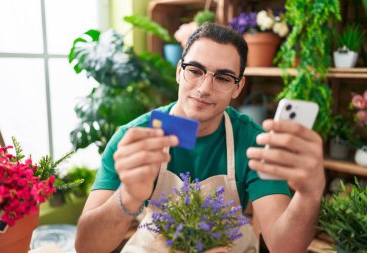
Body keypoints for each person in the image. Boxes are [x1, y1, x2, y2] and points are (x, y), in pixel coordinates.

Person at [75, 23, 324, 253]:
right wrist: (128, 195)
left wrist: (310, 193)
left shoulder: (253, 144)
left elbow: (284, 247)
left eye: (224, 78)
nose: (205, 88)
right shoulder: (133, 139)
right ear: (178, 72)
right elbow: (86, 247)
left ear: (238, 87)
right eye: (195, 70)